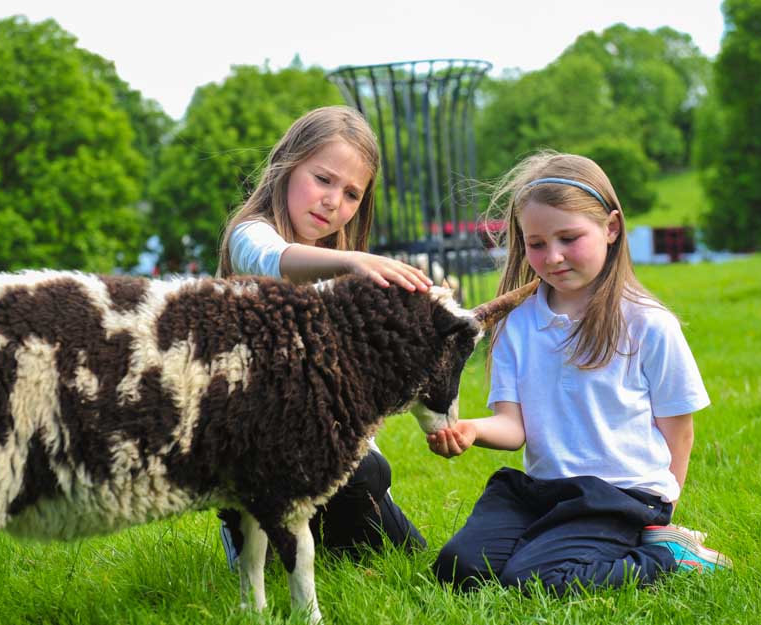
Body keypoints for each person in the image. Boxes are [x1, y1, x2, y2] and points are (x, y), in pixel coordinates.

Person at [428, 151, 731, 595]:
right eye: (536, 244)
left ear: (610, 228)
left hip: (619, 496)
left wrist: (659, 509)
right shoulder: (518, 324)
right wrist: (470, 429)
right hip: (543, 490)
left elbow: (678, 429)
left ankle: (668, 554)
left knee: (537, 578)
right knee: (460, 569)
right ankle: (551, 539)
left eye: (569, 238)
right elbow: (514, 428)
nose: (552, 257)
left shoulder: (648, 323)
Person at [215, 105, 433, 569]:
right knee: (361, 474)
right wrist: (351, 263)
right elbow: (274, 258)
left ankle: (342, 535)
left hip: (323, 448)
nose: (334, 201)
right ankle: (250, 537)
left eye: (352, 193)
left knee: (401, 531)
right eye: (324, 179)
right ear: (287, 166)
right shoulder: (251, 235)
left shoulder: (335, 261)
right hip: (260, 448)